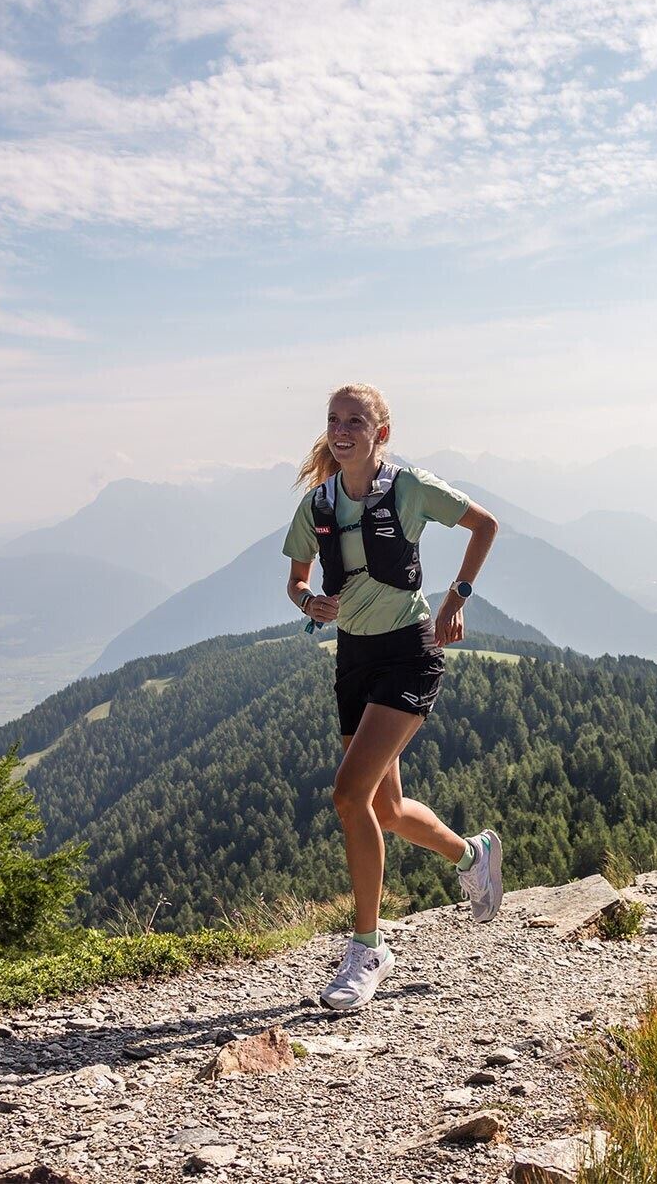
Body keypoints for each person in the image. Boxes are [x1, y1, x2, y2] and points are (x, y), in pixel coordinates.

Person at [281, 382, 505, 1011]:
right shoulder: (317, 503)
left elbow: (484, 525)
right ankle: (473, 854)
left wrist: (457, 597)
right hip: (352, 657)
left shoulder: (409, 488)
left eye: (356, 420)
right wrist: (310, 603)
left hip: (409, 651)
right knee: (385, 807)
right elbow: (295, 581)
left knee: (348, 794)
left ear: (382, 433)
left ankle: (367, 947)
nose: (342, 429)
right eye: (333, 419)